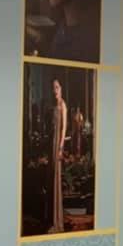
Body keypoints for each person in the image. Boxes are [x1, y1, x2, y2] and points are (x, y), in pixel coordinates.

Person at [49, 78, 68, 233]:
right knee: (52, 179)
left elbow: (64, 129)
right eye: (53, 88)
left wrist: (61, 147)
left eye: (57, 87)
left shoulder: (63, 105)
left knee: (57, 179)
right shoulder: (54, 105)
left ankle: (58, 222)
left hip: (58, 145)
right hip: (52, 143)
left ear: (61, 88)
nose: (55, 90)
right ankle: (53, 219)